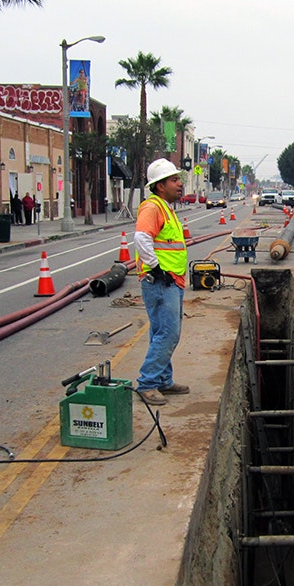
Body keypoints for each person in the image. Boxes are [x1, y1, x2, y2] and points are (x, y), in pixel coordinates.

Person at [132, 159, 190, 406]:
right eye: (174, 180)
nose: (180, 184)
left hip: (171, 280)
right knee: (168, 332)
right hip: (160, 281)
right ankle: (147, 383)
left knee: (161, 332)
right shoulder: (152, 208)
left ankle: (163, 379)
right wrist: (157, 268)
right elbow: (141, 238)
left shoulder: (165, 207)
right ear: (159, 185)